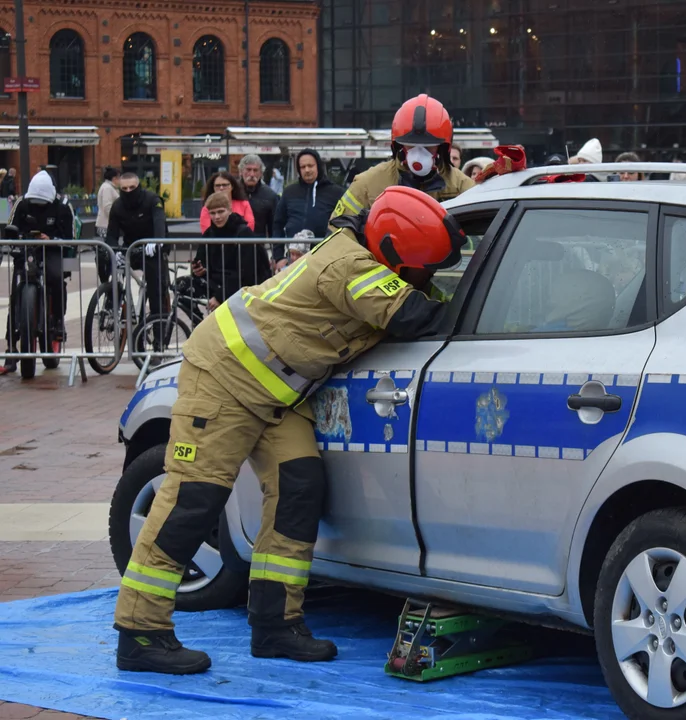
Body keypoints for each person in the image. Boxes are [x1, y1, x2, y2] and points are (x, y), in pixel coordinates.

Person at [112, 186, 466, 675]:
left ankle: (276, 625)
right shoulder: (352, 268)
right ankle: (140, 632)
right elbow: (414, 316)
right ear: (394, 255)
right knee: (192, 500)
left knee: (299, 486)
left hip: (278, 394)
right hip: (224, 377)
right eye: (422, 268)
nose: (425, 277)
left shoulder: (369, 257)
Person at [332, 94, 474, 221]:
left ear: (442, 148)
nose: (419, 153)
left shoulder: (461, 186)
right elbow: (338, 232)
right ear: (398, 145)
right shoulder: (367, 185)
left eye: (428, 146)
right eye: (411, 145)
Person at [1, 171, 75, 374]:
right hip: (26, 250)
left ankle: (58, 322)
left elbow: (70, 237)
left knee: (56, 277)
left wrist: (51, 240)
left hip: (52, 250)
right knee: (16, 291)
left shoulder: (62, 207)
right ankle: (10, 347)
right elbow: (10, 228)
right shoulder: (22, 204)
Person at [105, 173, 169, 324]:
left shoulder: (152, 200)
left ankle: (158, 336)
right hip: (131, 247)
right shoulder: (118, 206)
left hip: (154, 247)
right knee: (105, 259)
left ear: (139, 186)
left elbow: (159, 222)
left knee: (155, 290)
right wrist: (114, 252)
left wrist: (156, 241)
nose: (128, 191)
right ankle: (110, 301)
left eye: (132, 187)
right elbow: (111, 234)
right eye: (124, 188)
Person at [194, 191, 272, 312]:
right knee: (181, 286)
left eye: (220, 212)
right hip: (217, 282)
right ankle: (196, 321)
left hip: (243, 286)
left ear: (229, 210)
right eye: (212, 213)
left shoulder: (243, 233)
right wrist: (198, 269)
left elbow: (245, 273)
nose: (217, 217)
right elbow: (200, 259)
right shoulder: (209, 234)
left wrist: (220, 296)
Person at [272, 149, 345, 271]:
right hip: (294, 260)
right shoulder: (289, 192)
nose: (307, 170)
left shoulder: (336, 192)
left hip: (326, 260)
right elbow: (278, 224)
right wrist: (279, 257)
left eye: (310, 165)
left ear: (318, 166)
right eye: (303, 167)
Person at [238, 154, 280, 238]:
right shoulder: (231, 192)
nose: (252, 174)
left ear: (261, 173)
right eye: (248, 170)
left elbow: (275, 228)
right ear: (241, 172)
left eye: (255, 170)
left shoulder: (270, 196)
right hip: (233, 245)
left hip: (259, 245)